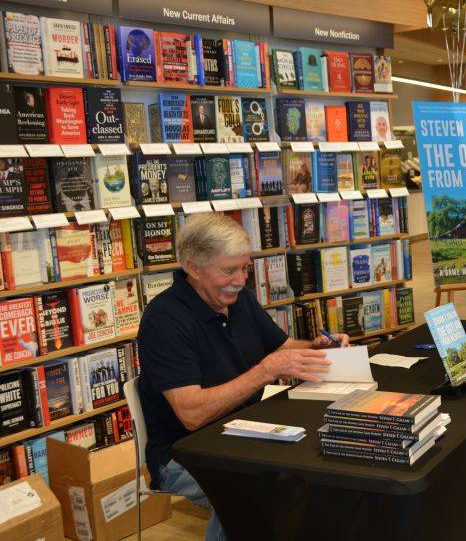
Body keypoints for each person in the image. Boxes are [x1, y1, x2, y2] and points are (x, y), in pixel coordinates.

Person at [138, 213, 348, 541]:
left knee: (321, 470)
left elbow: (283, 347)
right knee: (255, 493)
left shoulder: (238, 299)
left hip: (248, 433)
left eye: (245, 268)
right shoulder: (164, 321)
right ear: (193, 268)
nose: (241, 279)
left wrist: (318, 347)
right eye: (229, 270)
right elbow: (192, 414)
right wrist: (266, 370)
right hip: (185, 452)